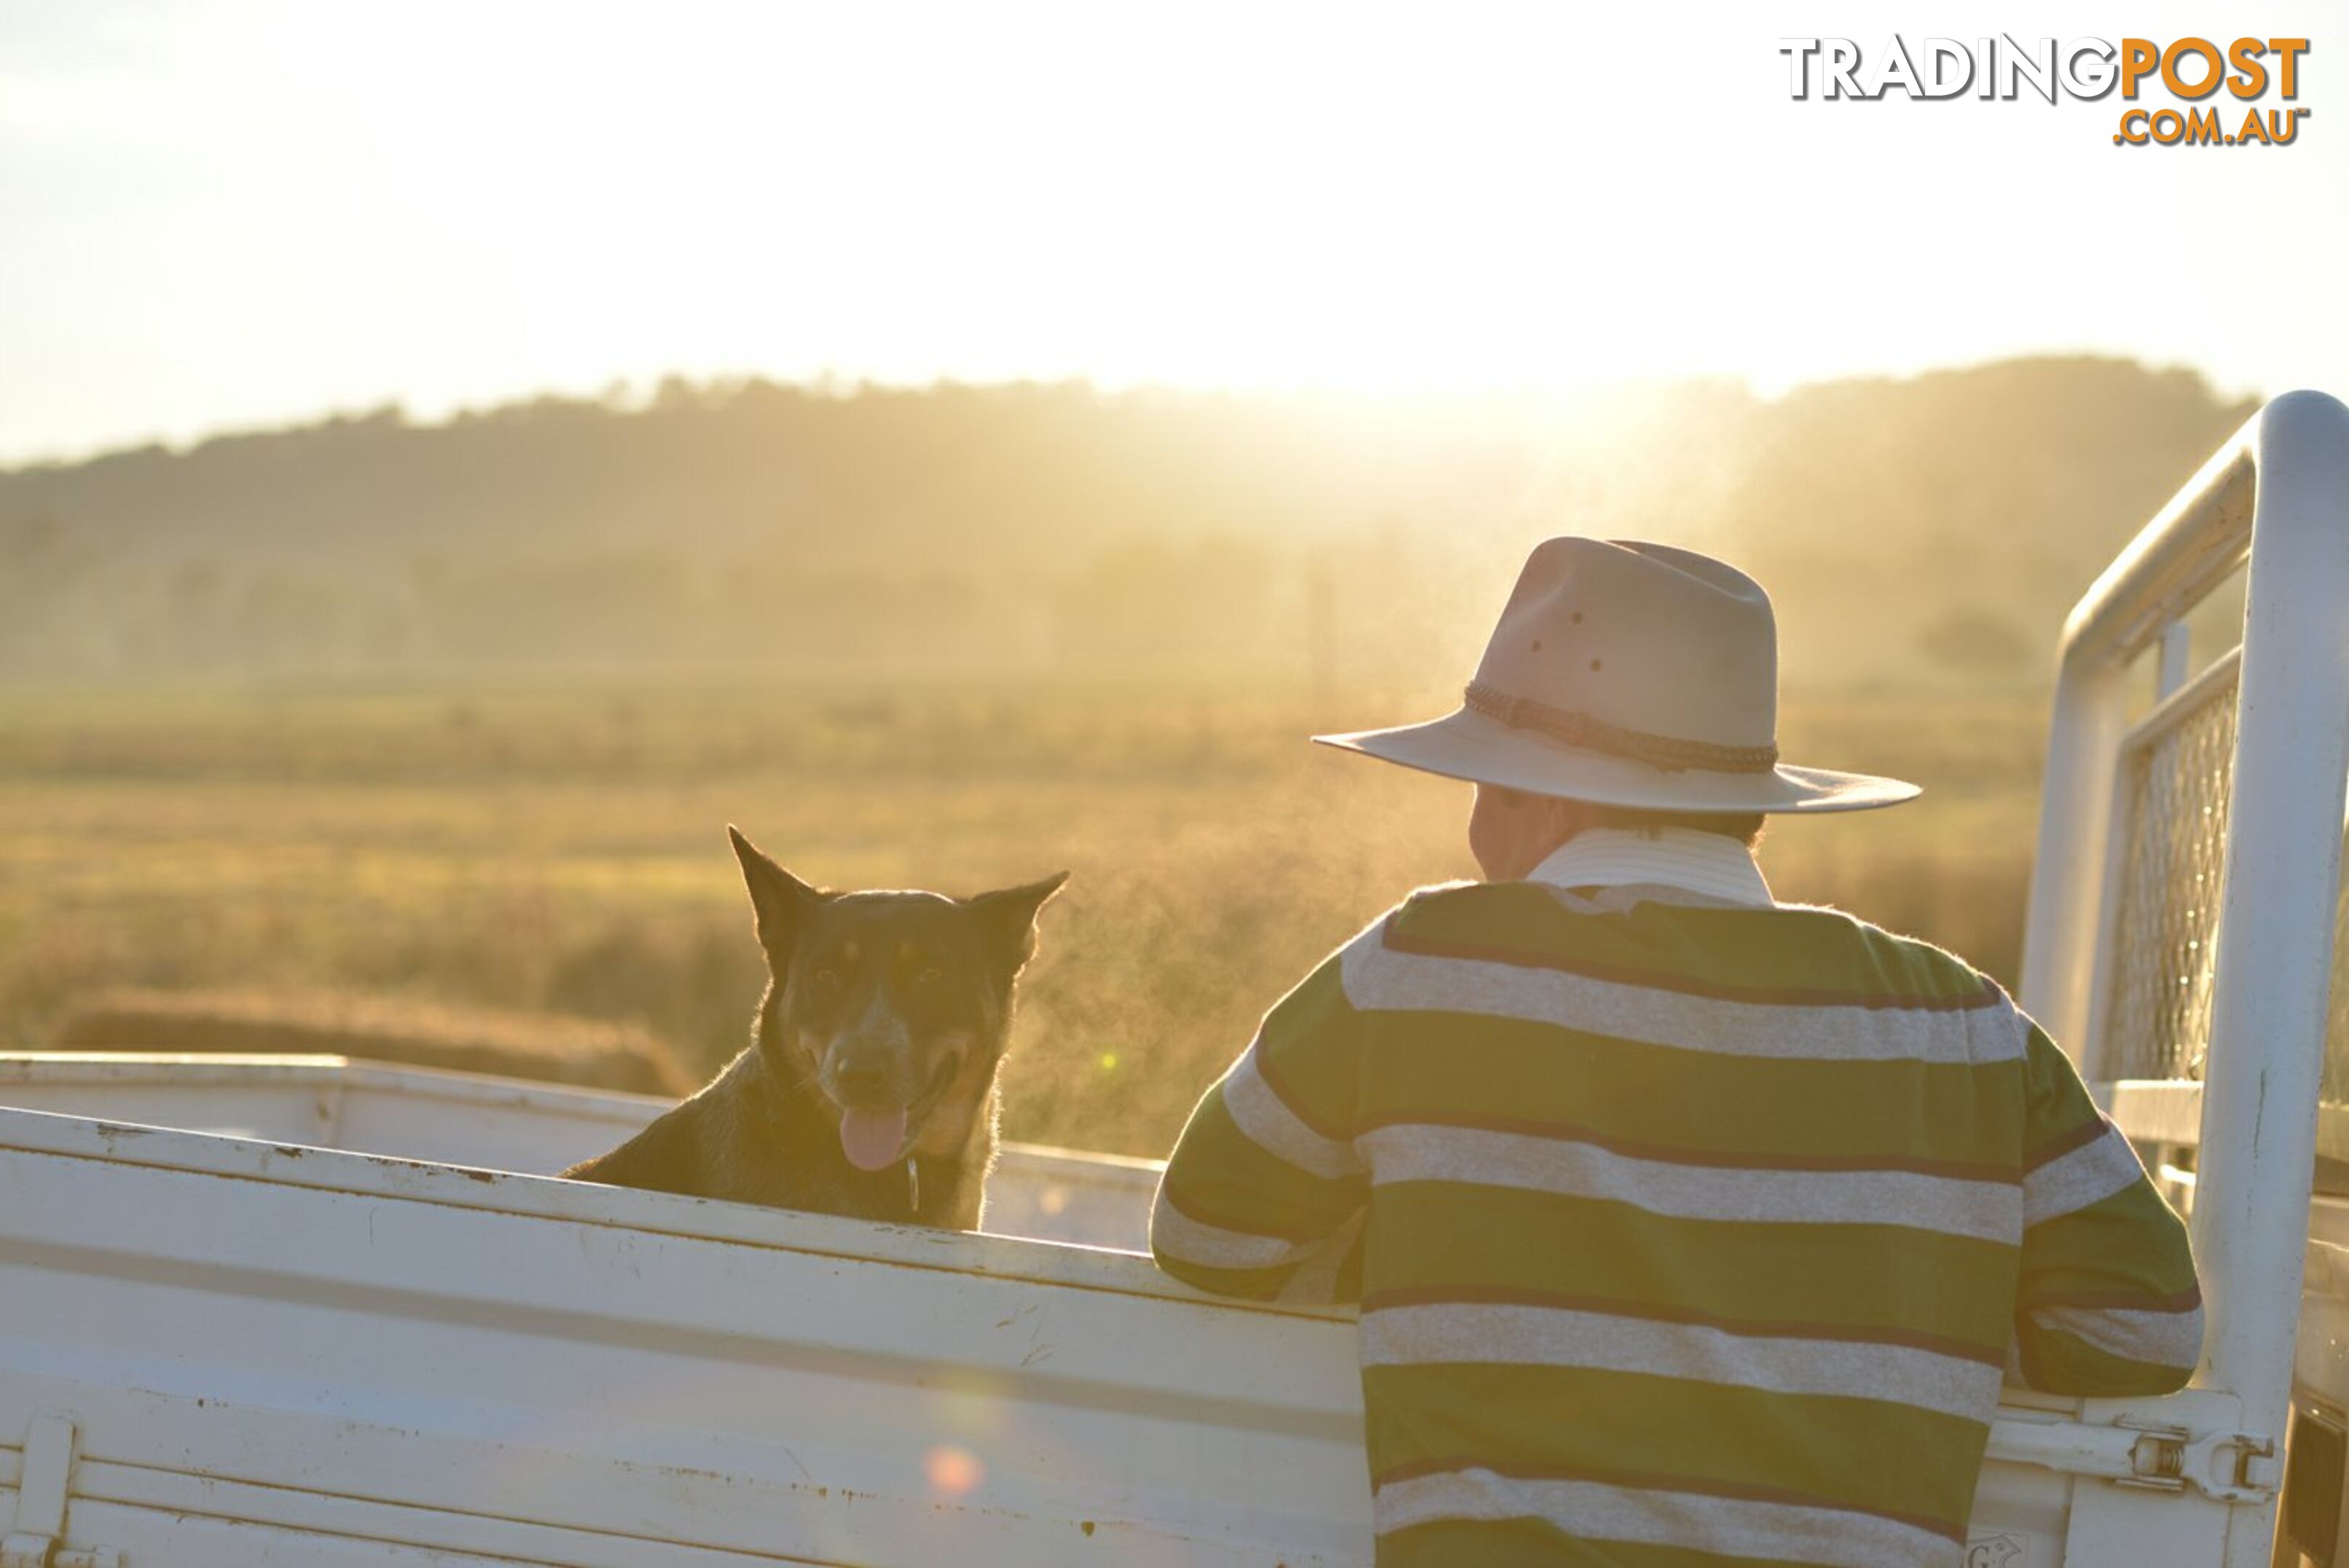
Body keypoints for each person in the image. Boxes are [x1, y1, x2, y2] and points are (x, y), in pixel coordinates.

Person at [1150, 537, 2202, 1567]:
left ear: (1533, 795)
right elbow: (2144, 1334)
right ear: (1744, 809)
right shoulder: (1967, 1029)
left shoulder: (1422, 968)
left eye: (1483, 785)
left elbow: (1207, 1235)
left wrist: (1446, 1246)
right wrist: (1905, 1316)